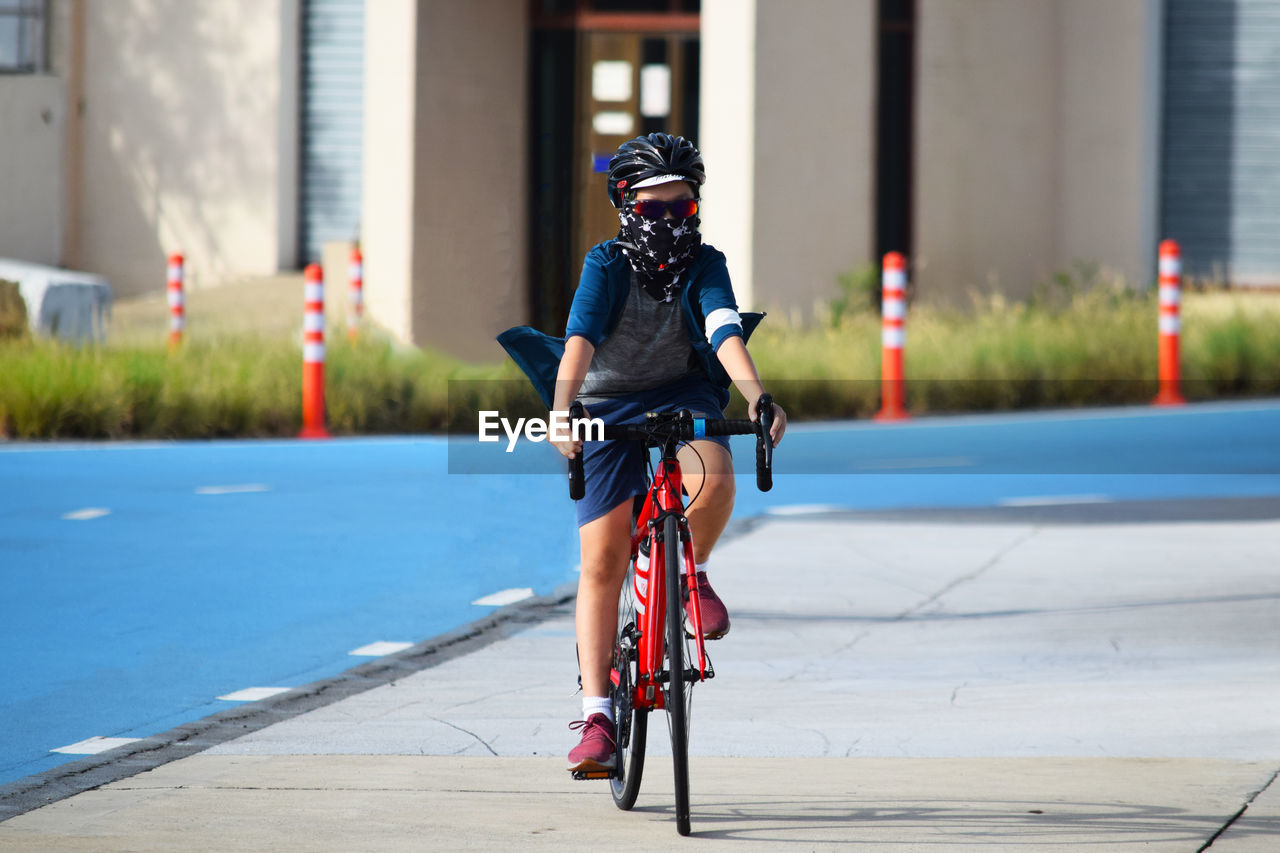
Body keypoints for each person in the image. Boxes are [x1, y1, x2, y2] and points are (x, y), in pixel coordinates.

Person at [498, 133, 786, 775]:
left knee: (712, 477)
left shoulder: (707, 263)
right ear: (627, 207)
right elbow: (578, 341)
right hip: (603, 400)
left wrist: (757, 398)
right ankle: (598, 715)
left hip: (679, 389)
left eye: (681, 208)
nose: (668, 222)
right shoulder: (605, 264)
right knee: (602, 558)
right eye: (653, 210)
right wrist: (561, 411)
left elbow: (723, 329)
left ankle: (694, 573)